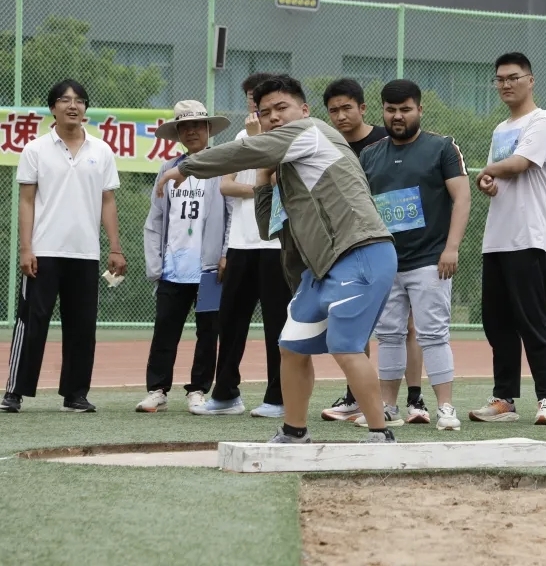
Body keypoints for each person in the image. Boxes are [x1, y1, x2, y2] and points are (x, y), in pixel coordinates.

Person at [156, 75, 398, 445]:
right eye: (265, 112)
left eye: (281, 108)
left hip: (361, 251)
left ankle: (380, 434)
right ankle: (294, 432)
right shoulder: (286, 163)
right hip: (322, 269)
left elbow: (244, 150)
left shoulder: (311, 132)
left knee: (345, 346)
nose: (273, 117)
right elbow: (269, 227)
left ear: (304, 109)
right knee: (291, 346)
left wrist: (187, 167)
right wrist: (264, 176)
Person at [1, 80, 124, 414]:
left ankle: (75, 394)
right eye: (65, 100)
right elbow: (26, 202)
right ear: (52, 108)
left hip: (85, 253)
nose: (73, 106)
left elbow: (108, 201)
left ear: (85, 109)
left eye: (80, 101)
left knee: (82, 326)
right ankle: (14, 391)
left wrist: (115, 247)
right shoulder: (35, 149)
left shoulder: (102, 151)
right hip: (43, 251)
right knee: (32, 321)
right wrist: (26, 248)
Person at [363, 79, 470, 431]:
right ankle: (388, 407)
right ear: (382, 111)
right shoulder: (369, 155)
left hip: (430, 261)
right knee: (389, 335)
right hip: (385, 262)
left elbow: (462, 198)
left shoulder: (442, 147)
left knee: (433, 334)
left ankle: (446, 408)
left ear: (420, 110)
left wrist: (451, 248)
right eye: (391, 109)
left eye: (405, 109)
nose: (398, 116)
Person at [319, 78, 427, 425]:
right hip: (348, 244)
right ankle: (356, 397)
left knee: (407, 326)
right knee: (355, 320)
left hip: (397, 246)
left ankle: (415, 399)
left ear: (363, 108)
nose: (340, 116)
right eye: (333, 110)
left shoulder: (386, 140)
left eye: (346, 108)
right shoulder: (328, 144)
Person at [469, 52, 546, 426]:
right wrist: (488, 183)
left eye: (513, 77)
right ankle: (504, 399)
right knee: (497, 324)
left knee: (532, 321)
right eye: (500, 79)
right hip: (497, 239)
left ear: (530, 80)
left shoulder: (542, 120)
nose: (506, 84)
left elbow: (520, 163)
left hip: (530, 237)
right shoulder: (499, 129)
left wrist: (487, 170)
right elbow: (498, 177)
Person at [193, 74, 292, 418]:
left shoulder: (288, 137)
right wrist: (259, 189)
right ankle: (225, 394)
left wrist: (258, 141)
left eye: (260, 98)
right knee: (231, 320)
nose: (254, 103)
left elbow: (281, 182)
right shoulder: (241, 137)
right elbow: (226, 185)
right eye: (251, 97)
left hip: (276, 244)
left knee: (277, 324)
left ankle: (278, 397)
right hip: (240, 244)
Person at [137, 101, 229, 414]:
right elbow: (155, 219)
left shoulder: (221, 166)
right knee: (164, 331)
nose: (191, 131)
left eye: (197, 125)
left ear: (208, 129)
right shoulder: (167, 169)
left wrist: (225, 254)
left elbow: (231, 214)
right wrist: (156, 263)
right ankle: (157, 390)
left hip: (208, 269)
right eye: (184, 127)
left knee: (208, 332)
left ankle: (198, 390)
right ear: (177, 133)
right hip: (173, 267)